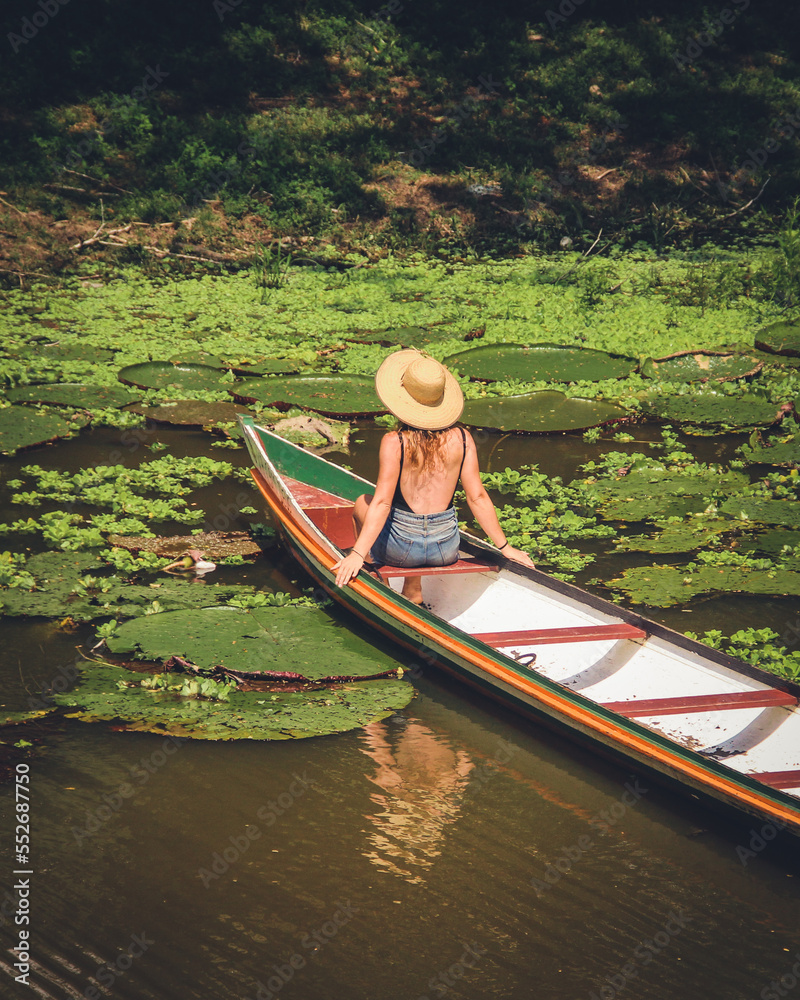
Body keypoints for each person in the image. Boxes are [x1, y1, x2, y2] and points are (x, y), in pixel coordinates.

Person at [333, 349, 535, 603]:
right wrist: (506, 548)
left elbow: (383, 502)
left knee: (363, 501)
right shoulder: (463, 438)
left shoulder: (395, 441)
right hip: (446, 548)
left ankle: (382, 582)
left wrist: (357, 554)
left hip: (401, 551)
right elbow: (477, 497)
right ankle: (413, 590)